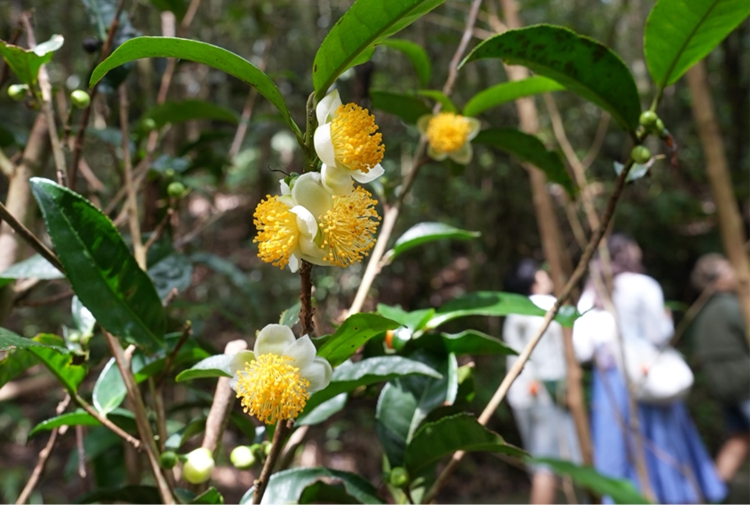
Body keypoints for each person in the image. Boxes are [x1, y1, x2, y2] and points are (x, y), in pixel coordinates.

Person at [574, 234, 726, 503]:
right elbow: (658, 335)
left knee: (616, 449)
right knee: (660, 446)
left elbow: (581, 349)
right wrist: (667, 321)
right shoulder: (642, 285)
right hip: (644, 375)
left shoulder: (592, 292)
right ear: (629, 253)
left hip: (609, 382)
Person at [503, 259, 581, 504]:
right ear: (533, 281)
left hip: (521, 396)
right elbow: (558, 356)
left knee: (542, 460)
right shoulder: (545, 306)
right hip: (545, 394)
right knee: (549, 463)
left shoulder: (513, 311)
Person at [691, 253, 750, 484]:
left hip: (722, 389)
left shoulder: (702, 315)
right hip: (745, 385)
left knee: (739, 439)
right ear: (720, 281)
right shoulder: (734, 308)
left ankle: (714, 493)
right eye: (729, 269)